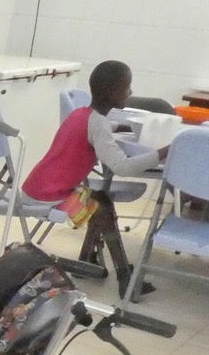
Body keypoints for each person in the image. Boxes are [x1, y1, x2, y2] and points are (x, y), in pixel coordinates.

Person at [22, 59, 167, 295]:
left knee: (101, 201)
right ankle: (125, 277)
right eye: (126, 87)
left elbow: (99, 129)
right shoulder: (97, 123)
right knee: (102, 208)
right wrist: (162, 153)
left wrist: (118, 128)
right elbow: (123, 167)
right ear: (112, 92)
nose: (130, 92)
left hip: (39, 186)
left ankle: (92, 261)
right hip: (48, 196)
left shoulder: (83, 114)